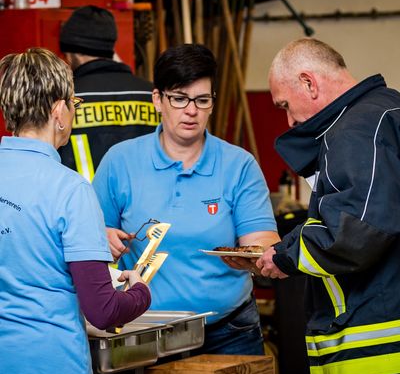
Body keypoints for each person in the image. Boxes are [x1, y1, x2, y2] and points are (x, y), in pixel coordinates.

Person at [92, 43, 280, 355]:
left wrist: (260, 256)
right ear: (157, 100)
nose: (191, 110)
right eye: (179, 99)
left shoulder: (239, 165)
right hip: (143, 331)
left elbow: (262, 241)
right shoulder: (120, 161)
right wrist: (105, 239)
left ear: (212, 104)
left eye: (202, 100)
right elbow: (90, 243)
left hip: (229, 331)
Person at [0, 48, 151, 374]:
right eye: (74, 104)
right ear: (59, 111)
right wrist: (140, 291)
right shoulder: (70, 189)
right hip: (49, 367)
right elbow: (103, 310)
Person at [256, 38, 400, 374]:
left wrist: (284, 257)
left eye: (285, 105)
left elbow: (354, 231)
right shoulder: (387, 109)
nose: (289, 120)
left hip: (378, 343)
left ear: (309, 82)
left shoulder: (354, 130)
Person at [58, 5, 160, 182]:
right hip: (147, 207)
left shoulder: (64, 100)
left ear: (73, 51)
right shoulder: (153, 95)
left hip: (84, 206)